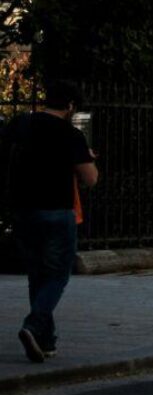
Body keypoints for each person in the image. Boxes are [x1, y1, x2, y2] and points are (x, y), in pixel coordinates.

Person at [2, 77, 98, 363]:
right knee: (57, 273)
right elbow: (89, 178)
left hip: (22, 209)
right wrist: (87, 158)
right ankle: (33, 324)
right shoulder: (70, 135)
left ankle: (45, 339)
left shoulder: (21, 124)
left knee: (37, 274)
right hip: (57, 210)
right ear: (70, 106)